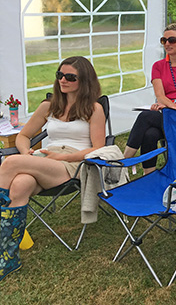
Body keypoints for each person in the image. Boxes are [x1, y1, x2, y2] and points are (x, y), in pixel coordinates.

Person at [0, 56, 105, 281]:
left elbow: (97, 148)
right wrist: (26, 151)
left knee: (9, 163)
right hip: (44, 159)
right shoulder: (49, 106)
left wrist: (61, 156)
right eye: (60, 75)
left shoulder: (94, 109)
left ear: (84, 80)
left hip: (74, 164)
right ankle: (8, 257)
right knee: (20, 184)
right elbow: (23, 135)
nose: (63, 80)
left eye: (70, 77)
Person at [123, 23, 176, 174]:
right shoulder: (158, 66)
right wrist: (170, 106)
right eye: (164, 40)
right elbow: (160, 96)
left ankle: (121, 163)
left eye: (172, 40)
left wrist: (169, 106)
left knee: (145, 117)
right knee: (150, 134)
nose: (167, 44)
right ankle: (149, 176)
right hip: (168, 115)